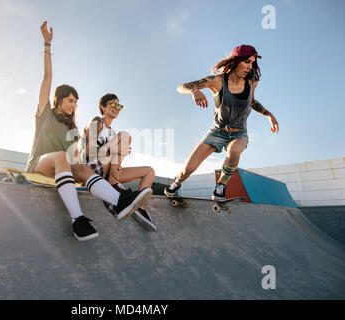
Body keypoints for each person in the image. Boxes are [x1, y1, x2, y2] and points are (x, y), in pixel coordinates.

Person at [26, 21, 152, 241]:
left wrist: (111, 157)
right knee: (60, 158)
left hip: (61, 170)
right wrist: (47, 45)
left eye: (76, 102)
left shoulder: (72, 128)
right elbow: (47, 78)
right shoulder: (44, 112)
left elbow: (75, 161)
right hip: (39, 164)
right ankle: (78, 219)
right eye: (71, 101)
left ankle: (120, 202)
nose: (74, 105)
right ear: (59, 100)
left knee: (82, 168)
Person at [164, 44, 279, 200]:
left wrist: (268, 114)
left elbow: (250, 101)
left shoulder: (252, 82)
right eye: (246, 62)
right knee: (188, 169)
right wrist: (194, 90)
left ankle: (221, 186)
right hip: (216, 132)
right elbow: (181, 87)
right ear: (236, 61)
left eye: (252, 63)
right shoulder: (217, 81)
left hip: (239, 133)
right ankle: (175, 184)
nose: (249, 67)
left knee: (234, 152)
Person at [80, 93, 157, 231]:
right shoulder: (96, 121)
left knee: (149, 171)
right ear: (103, 107)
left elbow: (113, 157)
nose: (117, 108)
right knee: (125, 136)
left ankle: (140, 208)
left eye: (119, 105)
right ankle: (114, 184)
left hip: (107, 171)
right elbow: (88, 152)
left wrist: (118, 164)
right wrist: (114, 149)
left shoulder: (113, 133)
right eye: (113, 104)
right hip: (90, 169)